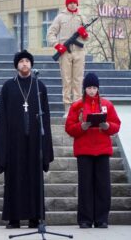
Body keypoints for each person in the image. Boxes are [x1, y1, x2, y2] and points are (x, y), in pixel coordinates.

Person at [0, 50, 54, 229]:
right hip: (14, 142)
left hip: (34, 143)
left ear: (31, 65)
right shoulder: (8, 87)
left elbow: (46, 118)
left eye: (27, 61)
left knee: (34, 180)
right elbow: (2, 117)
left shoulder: (39, 87)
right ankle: (14, 218)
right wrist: (0, 148)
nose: (25, 64)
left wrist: (46, 147)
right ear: (17, 65)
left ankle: (35, 218)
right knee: (14, 180)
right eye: (21, 61)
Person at [65, 72, 121, 229]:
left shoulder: (107, 105)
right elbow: (69, 127)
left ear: (98, 88)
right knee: (85, 186)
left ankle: (101, 219)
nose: (91, 90)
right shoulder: (77, 106)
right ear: (84, 89)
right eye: (89, 87)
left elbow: (116, 124)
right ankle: (85, 219)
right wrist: (81, 127)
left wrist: (107, 126)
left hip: (102, 150)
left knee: (103, 186)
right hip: (84, 150)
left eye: (94, 87)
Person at [47, 0, 89, 116]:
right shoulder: (60, 17)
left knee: (78, 80)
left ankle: (78, 109)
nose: (72, 4)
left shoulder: (81, 17)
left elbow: (88, 37)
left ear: (77, 4)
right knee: (67, 80)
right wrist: (57, 45)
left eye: (74, 2)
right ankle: (67, 109)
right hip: (65, 52)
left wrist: (84, 34)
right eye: (70, 2)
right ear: (67, 4)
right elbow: (50, 34)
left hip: (79, 51)